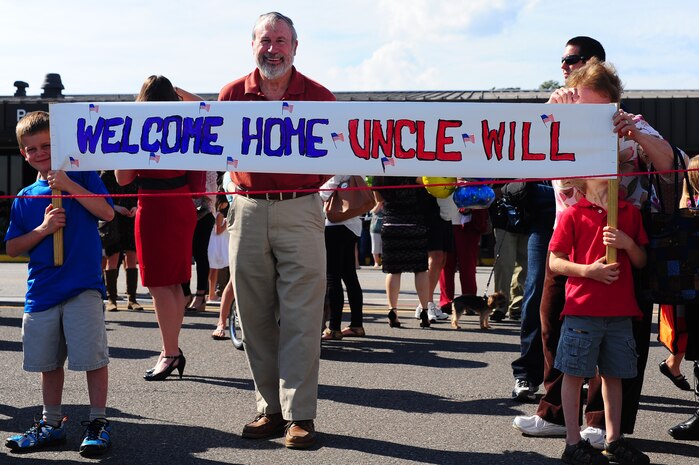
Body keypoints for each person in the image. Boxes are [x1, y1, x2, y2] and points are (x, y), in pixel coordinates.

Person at [513, 39, 675, 447]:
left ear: (612, 104)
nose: (586, 115)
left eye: (595, 108)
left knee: (618, 336)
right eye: (580, 105)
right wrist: (557, 117)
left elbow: (671, 164)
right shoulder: (559, 118)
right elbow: (538, 163)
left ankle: (602, 422)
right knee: (552, 322)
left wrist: (634, 132)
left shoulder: (631, 122)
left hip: (620, 240)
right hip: (569, 235)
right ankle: (553, 412)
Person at [219, 11, 334, 449]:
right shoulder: (231, 94)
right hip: (246, 210)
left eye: (281, 41)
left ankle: (299, 415)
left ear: (295, 47)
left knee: (303, 319)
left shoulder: (320, 97)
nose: (273, 49)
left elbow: (333, 154)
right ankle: (269, 408)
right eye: (265, 41)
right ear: (253, 45)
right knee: (253, 317)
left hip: (301, 209)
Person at [4, 111, 115, 456]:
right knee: (48, 363)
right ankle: (51, 423)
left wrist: (69, 185)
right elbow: (11, 247)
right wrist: (43, 230)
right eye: (32, 148)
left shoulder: (84, 177)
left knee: (92, 358)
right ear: (23, 153)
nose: (40, 153)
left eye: (48, 146)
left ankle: (97, 421)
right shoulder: (26, 196)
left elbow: (107, 213)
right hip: (42, 291)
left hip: (82, 285)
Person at [550, 171, 650, 464]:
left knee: (614, 375)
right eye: (601, 168)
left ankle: (614, 438)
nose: (611, 173)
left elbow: (641, 260)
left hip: (620, 312)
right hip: (582, 310)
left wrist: (627, 243)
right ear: (581, 181)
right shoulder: (572, 215)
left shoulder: (629, 213)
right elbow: (555, 261)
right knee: (574, 374)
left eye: (615, 168)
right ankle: (572, 442)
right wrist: (587, 271)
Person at [115, 75, 199, 382]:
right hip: (182, 203)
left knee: (159, 285)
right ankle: (171, 349)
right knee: (174, 283)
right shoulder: (186, 124)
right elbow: (209, 107)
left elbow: (123, 178)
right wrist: (177, 92)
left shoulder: (139, 129)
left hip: (154, 204)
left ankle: (170, 352)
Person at [373, 176, 432, 328]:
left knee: (393, 270)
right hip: (415, 223)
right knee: (420, 269)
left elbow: (379, 198)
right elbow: (428, 187)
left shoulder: (381, 172)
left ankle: (392, 310)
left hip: (391, 222)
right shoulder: (415, 168)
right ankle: (424, 310)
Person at [319, 175, 367, 340]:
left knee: (332, 277)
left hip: (335, 226)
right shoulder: (358, 165)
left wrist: (315, 197)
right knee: (349, 276)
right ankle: (356, 325)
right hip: (353, 225)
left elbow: (325, 190)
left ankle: (334, 327)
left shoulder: (340, 164)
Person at [99, 170, 143, 312]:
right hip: (112, 219)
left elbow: (140, 194)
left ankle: (132, 299)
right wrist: (115, 207)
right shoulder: (106, 175)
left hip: (130, 218)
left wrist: (136, 208)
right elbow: (100, 198)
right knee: (113, 256)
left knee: (132, 256)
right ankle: (112, 299)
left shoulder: (134, 173)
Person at [182, 171, 217, 311]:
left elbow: (211, 189)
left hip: (204, 212)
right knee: (183, 253)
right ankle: (185, 293)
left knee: (200, 253)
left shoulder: (209, 165)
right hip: (183, 210)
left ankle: (201, 295)